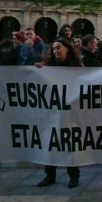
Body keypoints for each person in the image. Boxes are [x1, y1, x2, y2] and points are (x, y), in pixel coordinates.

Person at [35, 38, 85, 188]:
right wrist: (37, 69)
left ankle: (73, 175)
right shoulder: (48, 66)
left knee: (70, 143)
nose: (56, 51)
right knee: (51, 143)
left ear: (67, 49)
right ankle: (50, 175)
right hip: (53, 111)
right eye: (54, 48)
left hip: (70, 112)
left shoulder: (76, 66)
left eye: (59, 48)